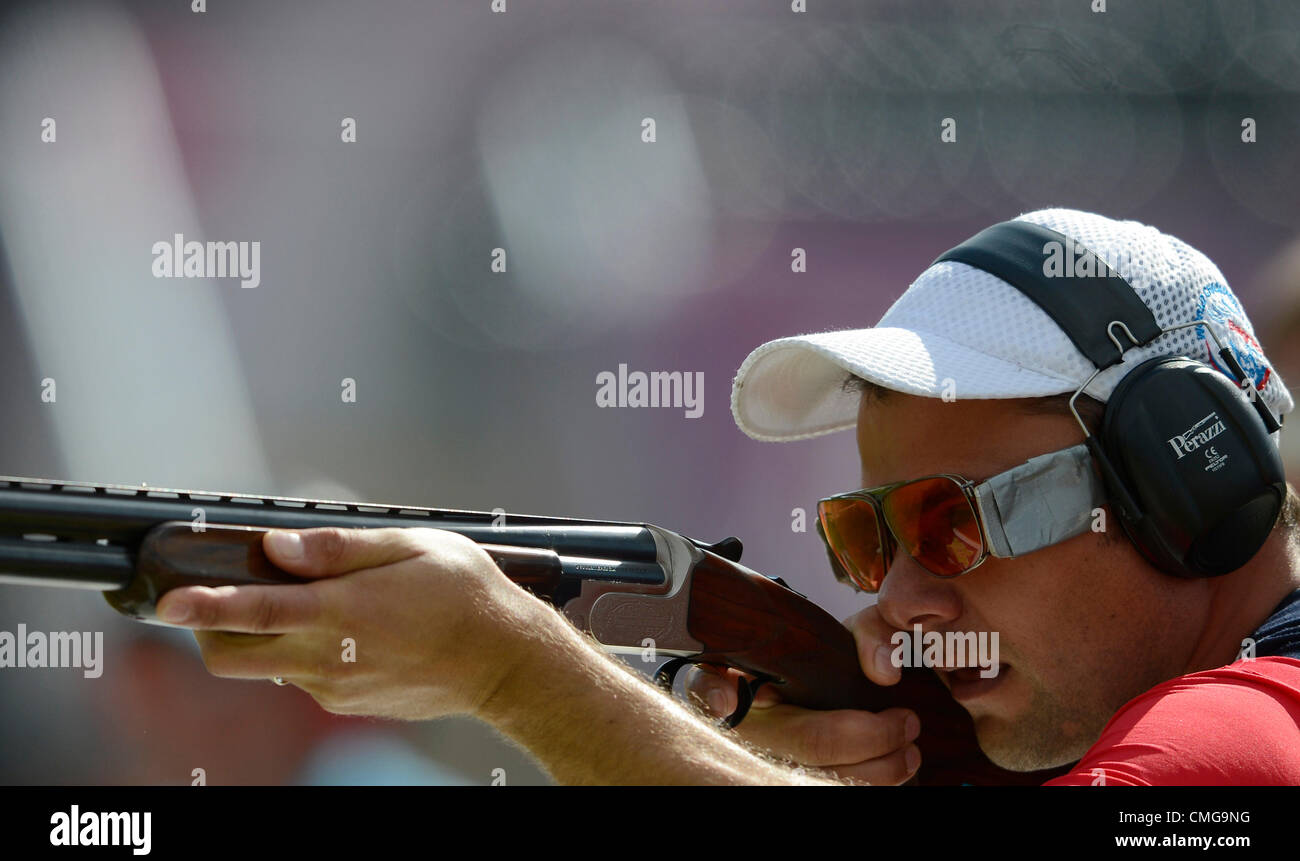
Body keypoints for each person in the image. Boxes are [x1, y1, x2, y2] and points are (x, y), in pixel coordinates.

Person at [155, 208, 1300, 785]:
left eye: (951, 521)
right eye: (867, 534)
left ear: (1177, 477)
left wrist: (515, 672)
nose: (895, 600)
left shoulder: (1238, 742)